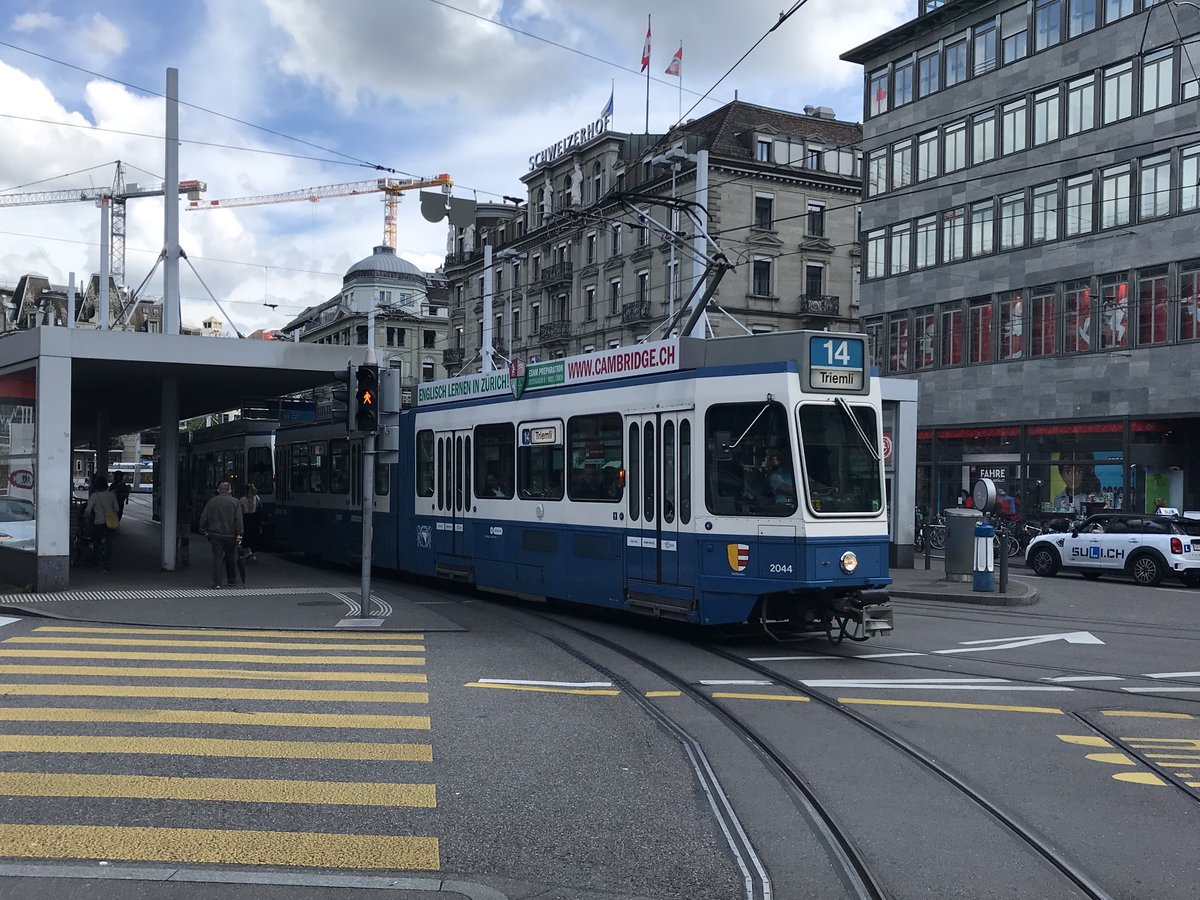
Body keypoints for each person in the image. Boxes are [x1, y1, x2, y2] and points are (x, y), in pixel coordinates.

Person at [199, 481, 243, 589]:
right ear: (229, 490)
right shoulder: (235, 502)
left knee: (217, 558)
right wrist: (239, 536)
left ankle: (218, 582)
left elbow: (204, 517)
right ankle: (231, 580)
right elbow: (238, 521)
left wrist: (203, 530)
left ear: (218, 490)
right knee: (230, 557)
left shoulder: (212, 502)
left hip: (215, 535)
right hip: (230, 535)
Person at [82, 474, 119, 572]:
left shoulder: (94, 496)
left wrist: (85, 518)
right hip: (110, 523)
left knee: (97, 542)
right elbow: (116, 508)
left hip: (99, 522)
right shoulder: (111, 495)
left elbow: (88, 510)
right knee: (109, 544)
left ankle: (95, 561)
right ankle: (108, 564)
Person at [239, 485, 263, 560]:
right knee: (254, 536)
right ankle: (254, 554)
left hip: (246, 518)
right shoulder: (257, 498)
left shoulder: (242, 499)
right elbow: (260, 508)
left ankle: (248, 551)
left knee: (246, 535)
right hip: (255, 518)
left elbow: (241, 510)